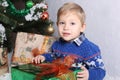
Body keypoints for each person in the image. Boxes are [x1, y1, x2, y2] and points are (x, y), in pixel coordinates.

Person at [32, 2, 106, 80]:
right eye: (62, 23)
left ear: (82, 27)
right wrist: (43, 57)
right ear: (57, 25)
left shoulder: (89, 49)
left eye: (72, 23)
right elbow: (53, 57)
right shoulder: (57, 44)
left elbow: (101, 70)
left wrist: (89, 75)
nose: (66, 27)